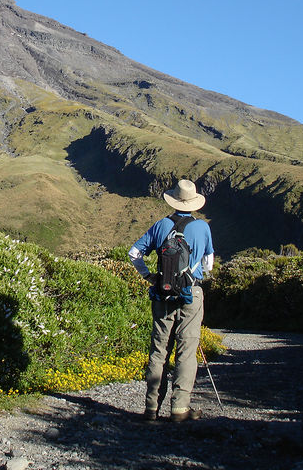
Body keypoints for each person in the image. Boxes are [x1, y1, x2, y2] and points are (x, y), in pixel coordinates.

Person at [128, 179, 214, 422]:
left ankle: (151, 408)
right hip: (191, 294)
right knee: (186, 351)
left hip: (162, 294)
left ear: (173, 200)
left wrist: (150, 276)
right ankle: (179, 409)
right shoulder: (203, 228)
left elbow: (134, 253)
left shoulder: (161, 225)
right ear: (194, 203)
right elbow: (208, 266)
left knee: (159, 350)